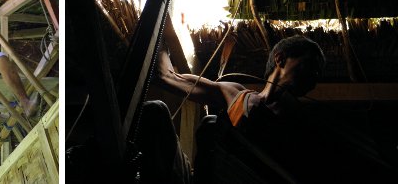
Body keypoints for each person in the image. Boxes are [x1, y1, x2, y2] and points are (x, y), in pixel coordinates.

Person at [138, 35, 396, 183]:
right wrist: (158, 28)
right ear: (280, 59)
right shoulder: (234, 93)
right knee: (155, 111)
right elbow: (167, 78)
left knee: (212, 125)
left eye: (319, 72)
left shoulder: (304, 124)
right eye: (311, 65)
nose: (316, 76)